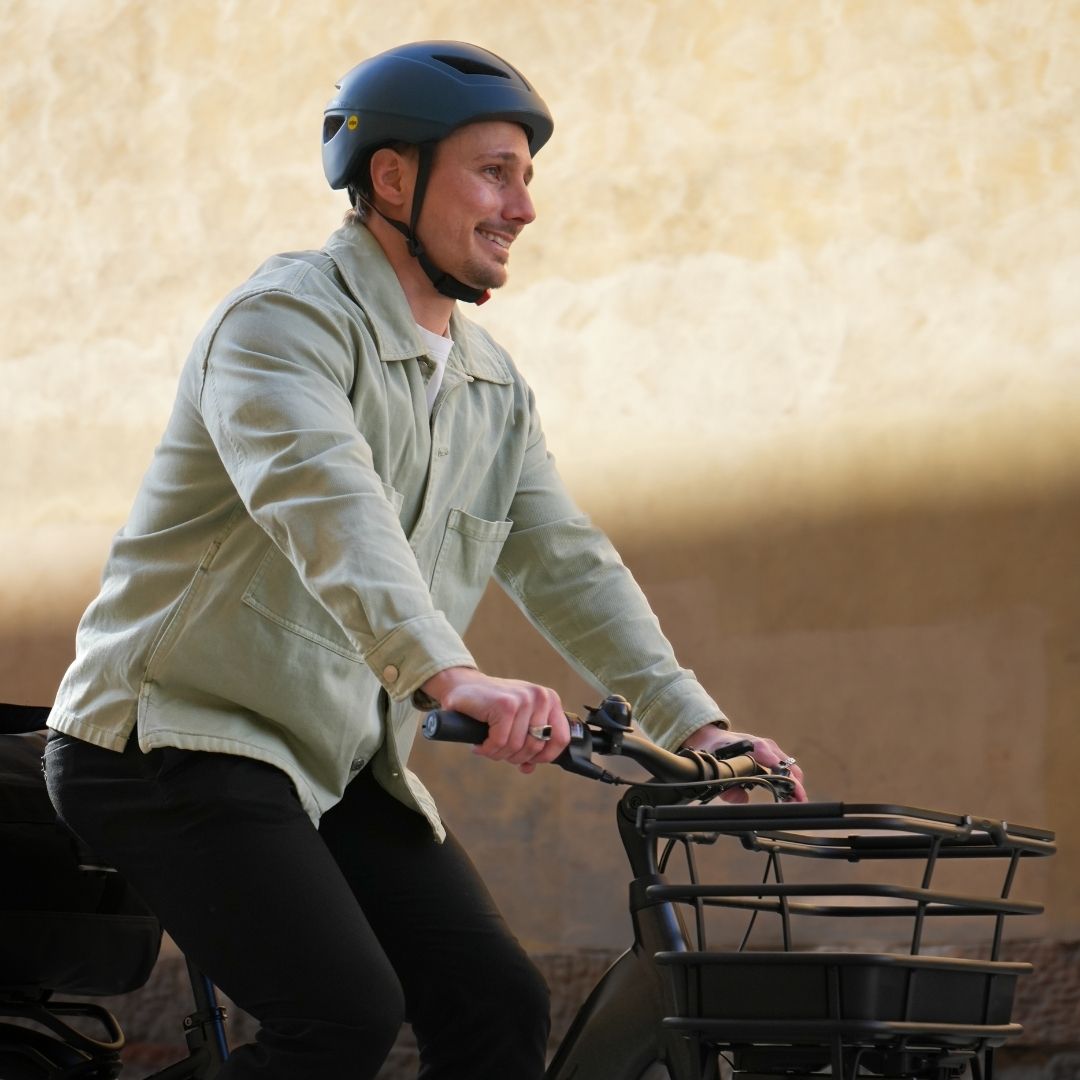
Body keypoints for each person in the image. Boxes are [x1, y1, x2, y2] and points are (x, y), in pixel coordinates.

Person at [44, 40, 806, 1080]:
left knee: (497, 1006)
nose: (523, 207)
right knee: (340, 1017)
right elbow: (327, 504)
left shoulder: (491, 384)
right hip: (172, 738)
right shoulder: (284, 323)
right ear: (393, 178)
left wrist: (697, 727)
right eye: (494, 173)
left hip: (337, 755)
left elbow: (565, 559)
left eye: (526, 177)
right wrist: (451, 674)